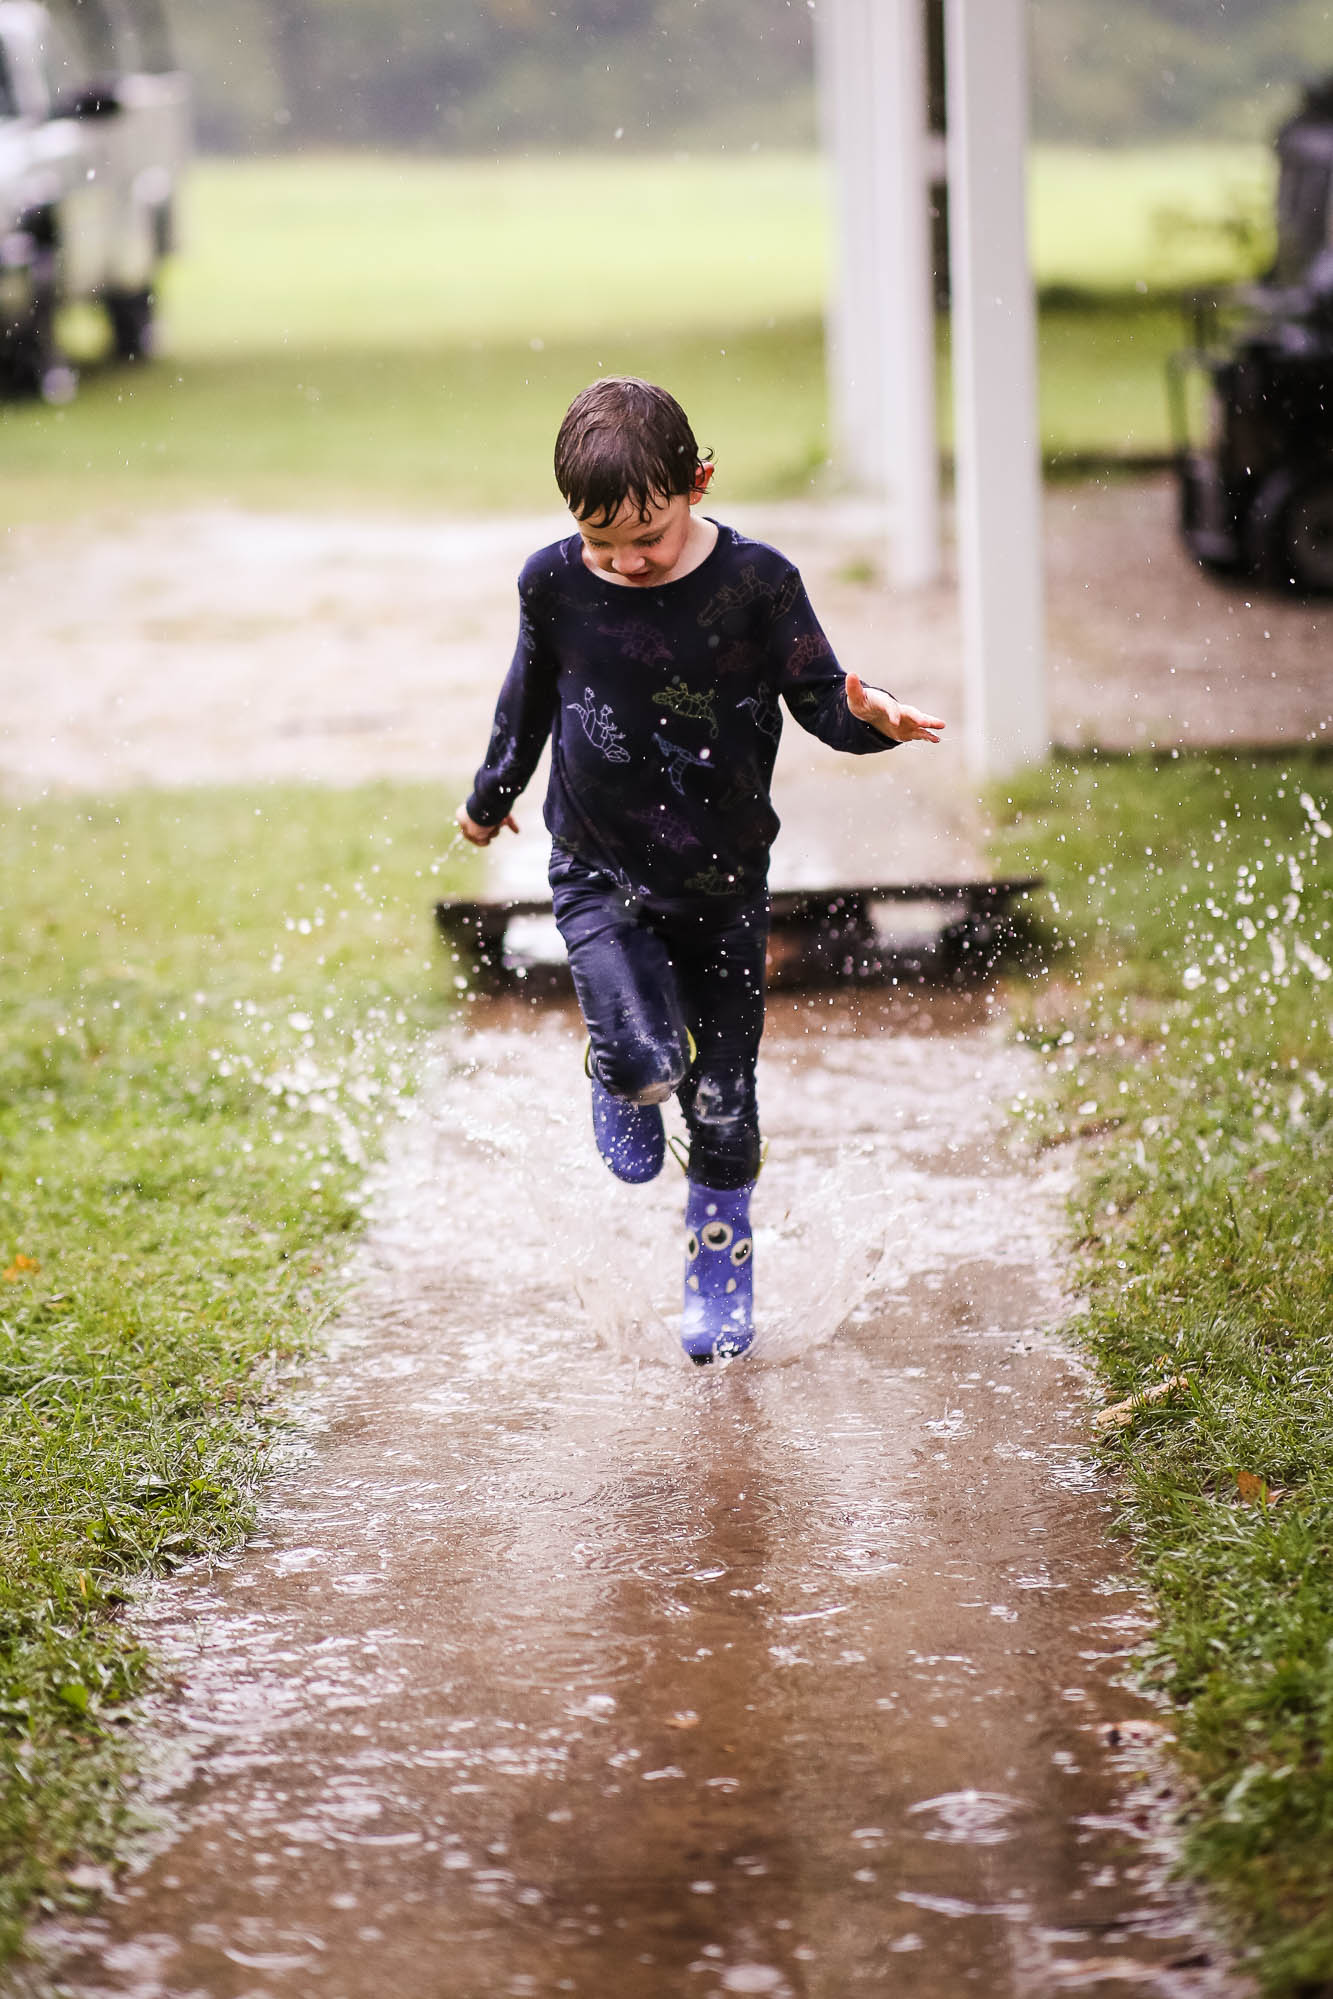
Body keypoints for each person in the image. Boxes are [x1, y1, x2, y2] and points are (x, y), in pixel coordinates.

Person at [456, 377, 944, 1364]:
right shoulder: (552, 582)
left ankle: (719, 1264)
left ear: (698, 483)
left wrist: (874, 721)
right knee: (646, 1063)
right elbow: (529, 696)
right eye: (603, 544)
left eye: (650, 537)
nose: (627, 563)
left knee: (723, 1092)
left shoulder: (756, 585)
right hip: (596, 867)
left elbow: (820, 698)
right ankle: (617, 1067)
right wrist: (488, 790)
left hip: (724, 881)